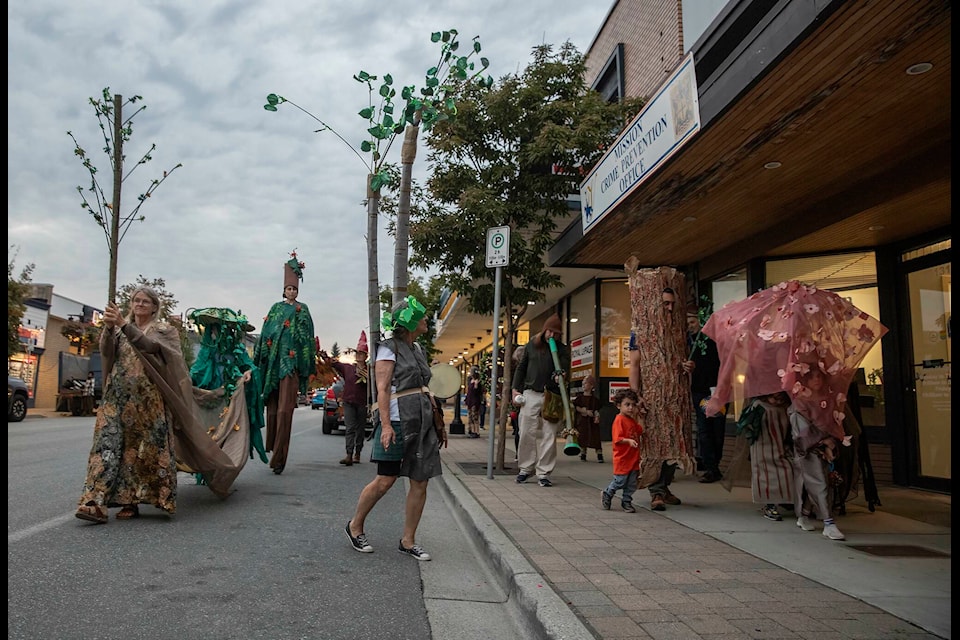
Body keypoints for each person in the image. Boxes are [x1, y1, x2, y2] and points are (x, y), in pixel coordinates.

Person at [76, 287, 238, 524]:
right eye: (135, 300)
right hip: (116, 399)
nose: (139, 304)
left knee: (142, 452)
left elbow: (149, 346)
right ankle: (94, 503)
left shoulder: (163, 331)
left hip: (149, 402)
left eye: (144, 301)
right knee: (105, 448)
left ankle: (133, 501)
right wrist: (109, 328)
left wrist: (121, 324)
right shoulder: (119, 330)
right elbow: (107, 352)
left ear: (154, 307)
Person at [345, 296, 447, 561]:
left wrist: (437, 421)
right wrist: (387, 426)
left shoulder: (417, 349)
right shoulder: (389, 349)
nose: (426, 319)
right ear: (410, 321)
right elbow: (382, 389)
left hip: (422, 420)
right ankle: (355, 526)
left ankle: (408, 540)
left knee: (420, 481)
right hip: (399, 420)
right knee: (385, 481)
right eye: (422, 316)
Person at [628, 286, 693, 510]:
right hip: (652, 397)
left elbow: (682, 360)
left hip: (674, 397)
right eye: (665, 303)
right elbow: (634, 365)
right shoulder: (641, 331)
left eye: (672, 304)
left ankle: (664, 487)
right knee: (655, 444)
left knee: (672, 444)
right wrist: (636, 395)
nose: (669, 308)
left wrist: (687, 366)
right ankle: (655, 490)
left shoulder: (677, 330)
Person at [253, 250, 316, 475]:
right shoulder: (276, 309)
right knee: (271, 411)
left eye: (294, 289)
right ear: (284, 290)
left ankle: (280, 458)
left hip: (290, 367)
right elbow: (265, 333)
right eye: (289, 289)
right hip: (273, 367)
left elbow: (307, 337)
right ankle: (272, 447)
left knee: (285, 413)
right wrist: (259, 363)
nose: (291, 292)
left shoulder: (303, 309)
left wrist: (305, 366)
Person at [511, 313, 569, 488]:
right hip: (531, 393)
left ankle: (543, 472)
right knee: (526, 431)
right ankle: (525, 468)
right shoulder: (531, 346)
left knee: (549, 434)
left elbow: (566, 369)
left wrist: (562, 376)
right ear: (544, 330)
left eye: (556, 333)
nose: (552, 336)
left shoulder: (563, 349)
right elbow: (521, 368)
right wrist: (515, 390)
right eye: (550, 331)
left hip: (552, 395)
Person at [788, 366, 845, 540]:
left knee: (819, 482)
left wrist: (832, 441)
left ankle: (804, 514)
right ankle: (828, 522)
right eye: (812, 377)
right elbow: (801, 432)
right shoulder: (799, 402)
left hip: (824, 446)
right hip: (808, 449)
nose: (817, 380)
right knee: (819, 482)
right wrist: (822, 442)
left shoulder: (829, 399)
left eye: (819, 376)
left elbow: (834, 423)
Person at [724, 392, 796, 521]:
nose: (777, 401)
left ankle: (785, 500)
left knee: (787, 471)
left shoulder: (785, 407)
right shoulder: (758, 406)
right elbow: (746, 425)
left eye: (780, 398)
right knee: (766, 476)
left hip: (781, 445)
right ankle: (770, 504)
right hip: (762, 446)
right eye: (774, 398)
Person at [682, 308, 726, 483]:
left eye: (692, 322)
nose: (690, 326)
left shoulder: (714, 341)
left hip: (717, 390)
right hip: (700, 391)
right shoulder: (686, 342)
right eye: (687, 324)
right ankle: (710, 465)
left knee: (716, 428)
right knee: (704, 429)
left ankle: (714, 464)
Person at [321, 331, 369, 466]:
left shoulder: (370, 370)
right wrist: (326, 357)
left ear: (366, 356)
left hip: (362, 403)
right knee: (350, 428)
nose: (359, 355)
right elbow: (335, 364)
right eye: (357, 353)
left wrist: (367, 376)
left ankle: (357, 453)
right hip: (348, 401)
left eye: (362, 353)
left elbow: (376, 384)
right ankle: (349, 454)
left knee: (360, 429)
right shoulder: (348, 368)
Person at [601, 388, 643, 512]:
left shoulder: (632, 420)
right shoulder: (619, 420)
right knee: (620, 481)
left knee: (631, 484)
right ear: (619, 405)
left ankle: (627, 502)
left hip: (633, 458)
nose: (630, 408)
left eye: (633, 405)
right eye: (627, 405)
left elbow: (639, 430)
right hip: (623, 458)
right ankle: (608, 493)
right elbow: (617, 439)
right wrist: (628, 441)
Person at [572, 374, 603, 462]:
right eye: (583, 384)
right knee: (583, 436)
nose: (583, 385)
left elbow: (597, 409)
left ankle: (599, 454)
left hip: (592, 421)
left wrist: (597, 416)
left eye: (585, 383)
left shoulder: (595, 400)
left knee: (595, 437)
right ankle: (583, 453)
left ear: (591, 386)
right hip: (583, 421)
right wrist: (584, 411)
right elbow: (576, 407)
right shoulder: (579, 398)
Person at [465, 367, 483, 438]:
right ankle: (471, 430)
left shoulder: (477, 382)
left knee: (474, 417)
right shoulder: (470, 380)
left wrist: (476, 385)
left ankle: (476, 431)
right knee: (470, 416)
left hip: (475, 401)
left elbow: (477, 392)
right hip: (470, 401)